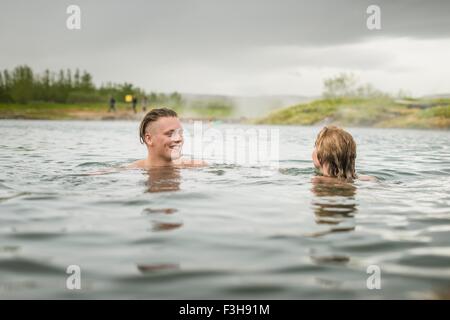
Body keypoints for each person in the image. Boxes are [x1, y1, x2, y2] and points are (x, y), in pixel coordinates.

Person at [128, 108, 206, 169]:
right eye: (170, 134)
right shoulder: (131, 171)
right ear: (149, 139)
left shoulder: (197, 166)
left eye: (180, 133)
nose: (179, 139)